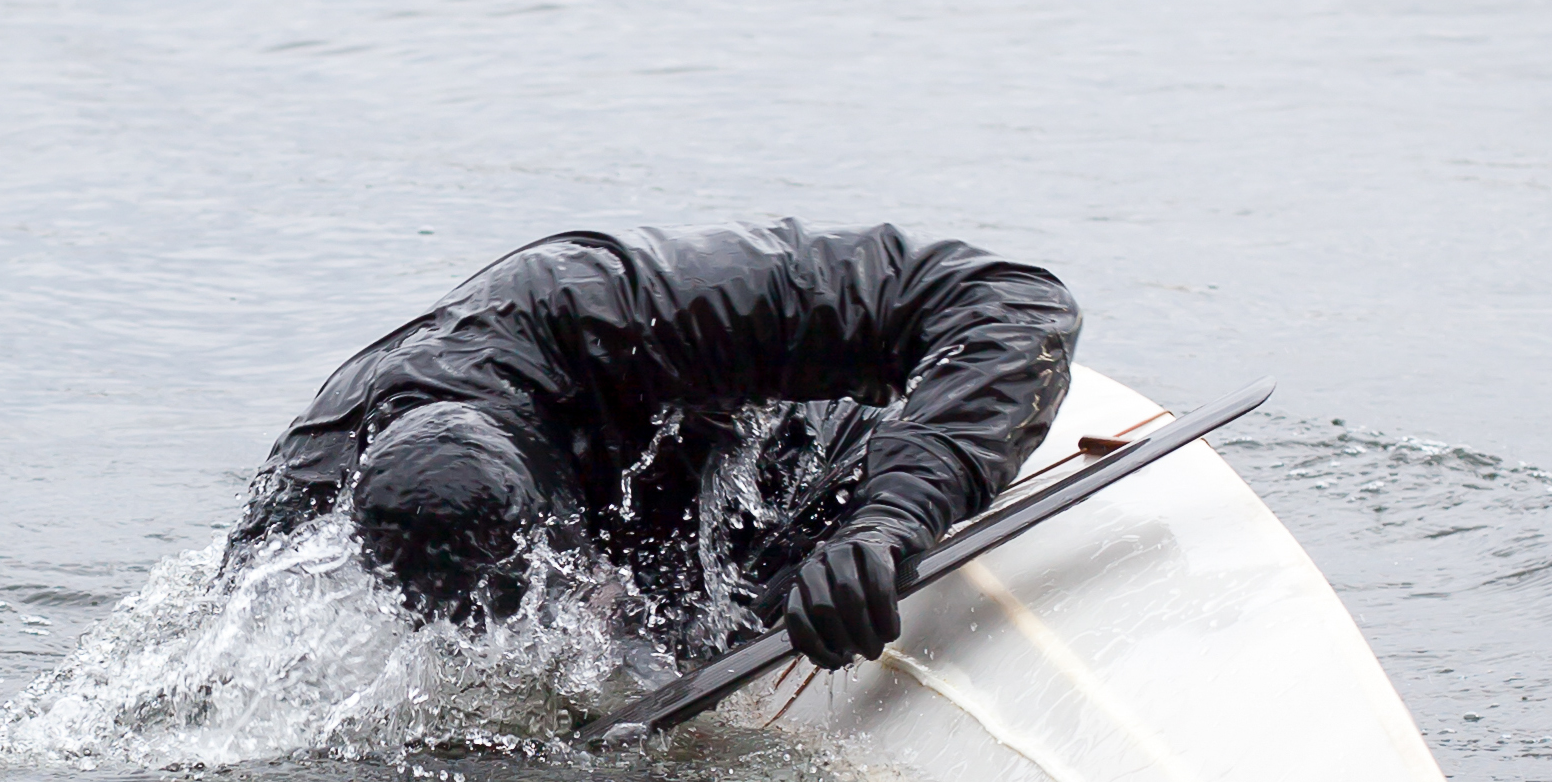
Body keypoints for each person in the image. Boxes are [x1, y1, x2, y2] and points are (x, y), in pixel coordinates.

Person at [222, 220, 1080, 670]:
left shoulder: (629, 310)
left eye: (546, 583)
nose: (568, 607)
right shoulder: (306, 498)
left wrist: (890, 519)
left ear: (544, 491)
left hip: (803, 486)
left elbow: (1012, 304)